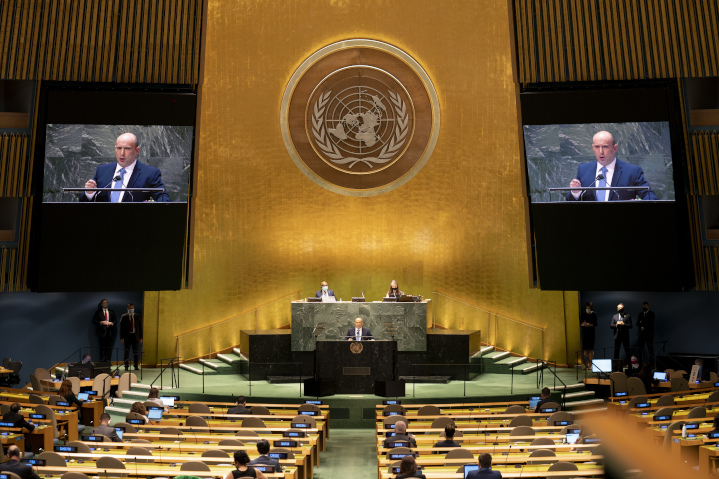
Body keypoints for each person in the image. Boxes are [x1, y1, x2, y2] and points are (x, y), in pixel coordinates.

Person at [567, 131, 657, 202]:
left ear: (615, 148)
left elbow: (649, 195)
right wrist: (575, 192)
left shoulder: (632, 171)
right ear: (592, 148)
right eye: (597, 147)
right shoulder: (583, 170)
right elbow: (569, 201)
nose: (601, 151)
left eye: (605, 147)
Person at [80, 132, 170, 203]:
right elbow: (83, 201)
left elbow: (163, 199)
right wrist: (89, 193)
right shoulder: (102, 171)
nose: (122, 153)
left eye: (127, 148)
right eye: (119, 148)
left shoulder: (150, 174)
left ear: (137, 150)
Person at [120, 303, 143, 371]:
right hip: (127, 337)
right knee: (126, 352)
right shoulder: (124, 317)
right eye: (130, 308)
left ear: (134, 308)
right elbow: (121, 328)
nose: (131, 309)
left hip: (135, 336)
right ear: (127, 309)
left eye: (132, 308)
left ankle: (136, 365)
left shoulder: (137, 316)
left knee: (135, 352)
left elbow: (140, 328)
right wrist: (122, 337)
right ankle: (126, 366)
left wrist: (141, 337)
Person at [580, 301, 597, 369]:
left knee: (591, 349)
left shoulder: (594, 314)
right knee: (585, 349)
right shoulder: (583, 314)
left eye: (589, 308)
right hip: (585, 332)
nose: (588, 309)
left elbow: (595, 324)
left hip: (591, 332)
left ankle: (590, 364)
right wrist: (583, 324)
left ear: (591, 308)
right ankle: (586, 363)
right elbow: (580, 323)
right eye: (587, 308)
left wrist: (589, 324)